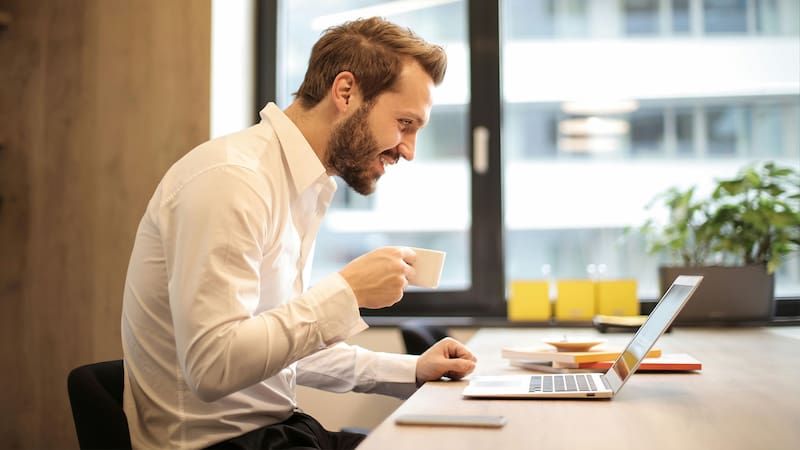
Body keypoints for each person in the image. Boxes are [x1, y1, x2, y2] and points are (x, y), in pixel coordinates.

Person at [121, 16, 477, 450]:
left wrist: (411, 370)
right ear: (345, 92)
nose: (409, 150)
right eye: (404, 123)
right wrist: (345, 293)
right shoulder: (233, 180)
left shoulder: (301, 185)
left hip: (276, 434)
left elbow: (278, 350)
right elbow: (213, 366)